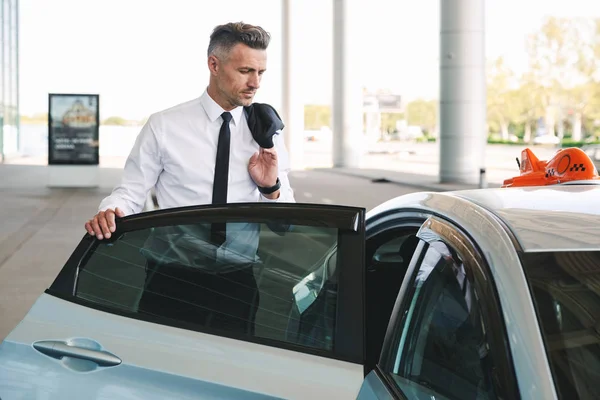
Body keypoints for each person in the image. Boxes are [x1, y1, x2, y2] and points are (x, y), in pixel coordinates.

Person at [84, 21, 295, 335]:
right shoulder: (165, 125)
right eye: (245, 71)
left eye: (261, 73)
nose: (255, 83)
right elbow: (130, 191)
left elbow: (285, 223)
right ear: (214, 64)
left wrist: (270, 187)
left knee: (232, 374)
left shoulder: (267, 134)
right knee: (160, 371)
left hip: (237, 284)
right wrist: (112, 211)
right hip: (170, 279)